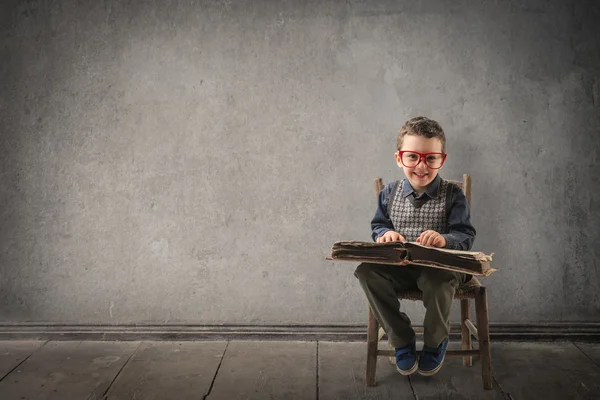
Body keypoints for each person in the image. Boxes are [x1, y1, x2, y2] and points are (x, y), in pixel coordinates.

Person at [354, 116, 476, 376]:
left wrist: (445, 239)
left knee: (437, 280)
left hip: (443, 269)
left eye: (431, 158)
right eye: (413, 157)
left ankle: (435, 340)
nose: (422, 165)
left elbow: (465, 235)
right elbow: (378, 225)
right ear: (399, 158)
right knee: (366, 271)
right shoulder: (388, 192)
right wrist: (385, 235)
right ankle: (401, 337)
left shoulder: (454, 196)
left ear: (441, 160)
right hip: (403, 267)